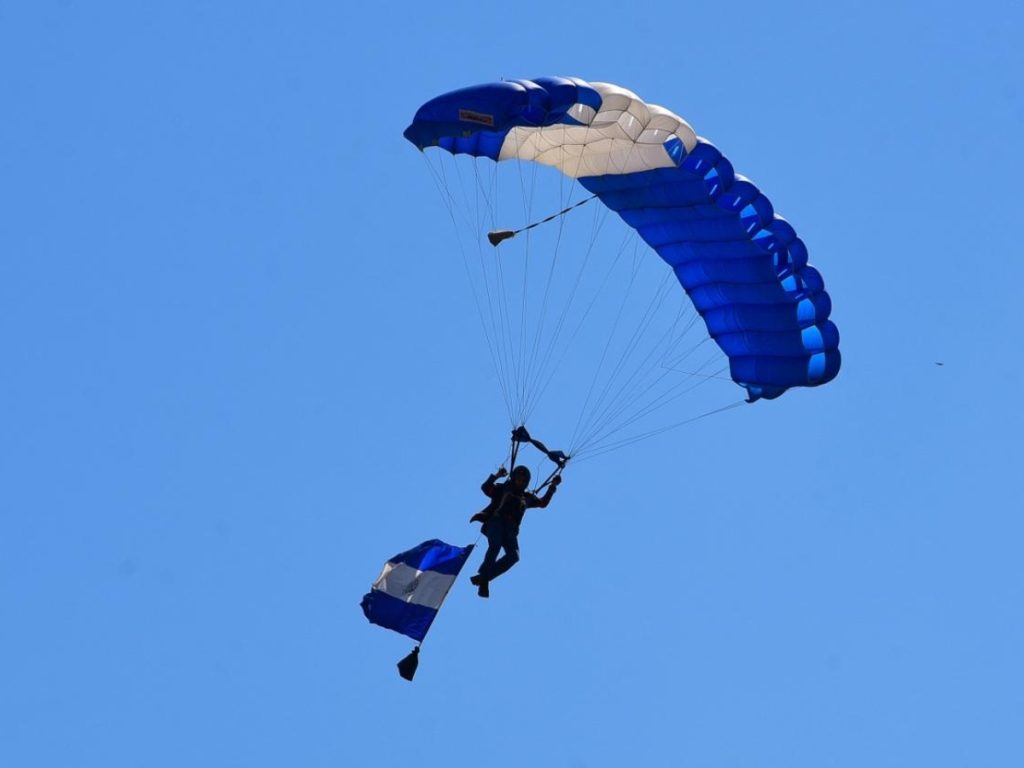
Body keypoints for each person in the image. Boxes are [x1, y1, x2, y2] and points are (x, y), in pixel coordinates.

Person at [469, 465, 562, 598]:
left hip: (511, 530)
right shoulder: (502, 489)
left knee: (514, 556)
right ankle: (484, 577)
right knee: (495, 545)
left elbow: (542, 503)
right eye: (519, 479)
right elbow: (485, 488)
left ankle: (485, 577)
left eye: (524, 481)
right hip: (496, 522)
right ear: (513, 478)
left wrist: (552, 486)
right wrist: (497, 475)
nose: (521, 482)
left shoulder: (527, 498)